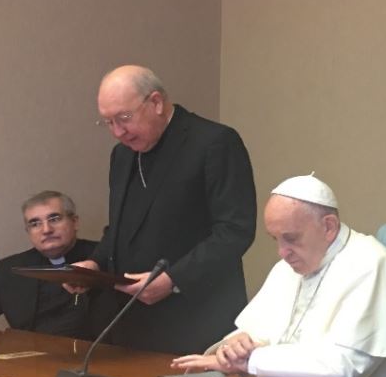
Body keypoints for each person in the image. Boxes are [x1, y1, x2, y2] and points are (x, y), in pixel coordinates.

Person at [172, 174, 386, 377]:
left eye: (291, 238)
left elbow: (346, 365)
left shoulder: (370, 263)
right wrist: (236, 345)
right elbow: (256, 331)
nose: (282, 252)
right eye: (275, 239)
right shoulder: (288, 267)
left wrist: (251, 361)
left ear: (329, 227)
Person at [71, 65, 256, 354]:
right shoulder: (122, 155)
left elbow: (235, 231)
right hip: (130, 321)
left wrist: (174, 279)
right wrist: (94, 266)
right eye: (108, 122)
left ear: (156, 102)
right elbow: (120, 228)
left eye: (124, 118)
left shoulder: (214, 142)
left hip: (196, 319)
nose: (118, 132)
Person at [0, 191, 97, 337]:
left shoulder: (101, 259)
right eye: (35, 224)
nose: (46, 230)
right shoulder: (10, 268)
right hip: (27, 350)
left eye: (54, 219)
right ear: (28, 231)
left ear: (75, 222)